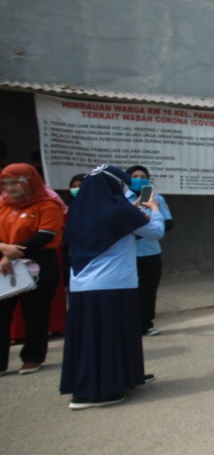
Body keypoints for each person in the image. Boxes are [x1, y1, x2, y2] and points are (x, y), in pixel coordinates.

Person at [60, 165, 163, 408]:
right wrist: (154, 209)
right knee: (108, 337)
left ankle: (125, 376)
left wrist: (134, 211)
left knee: (99, 336)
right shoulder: (119, 211)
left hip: (83, 284)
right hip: (113, 283)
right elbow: (155, 231)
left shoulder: (77, 210)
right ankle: (98, 392)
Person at [1, 164, 67, 375]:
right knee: (2, 314)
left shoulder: (47, 204)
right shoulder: (3, 205)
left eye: (15, 182)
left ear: (30, 181)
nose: (10, 188)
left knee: (35, 313)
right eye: (5, 183)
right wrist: (4, 250)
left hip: (37, 262)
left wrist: (10, 252)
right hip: (5, 264)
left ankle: (32, 357)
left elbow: (46, 234)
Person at [127, 165, 173, 336]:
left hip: (151, 252)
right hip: (129, 253)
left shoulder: (157, 199)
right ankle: (128, 324)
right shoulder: (123, 199)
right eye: (135, 176)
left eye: (143, 176)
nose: (139, 179)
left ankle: (146, 323)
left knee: (148, 290)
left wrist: (152, 212)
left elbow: (168, 223)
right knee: (130, 291)